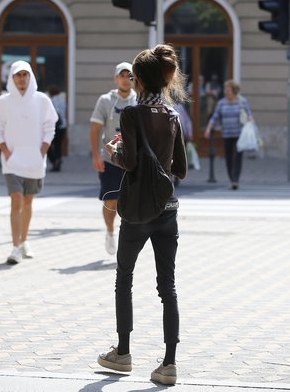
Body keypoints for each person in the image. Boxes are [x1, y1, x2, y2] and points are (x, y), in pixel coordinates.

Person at [97, 44, 188, 386]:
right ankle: (168, 364)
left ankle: (122, 353)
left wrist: (115, 151)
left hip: (136, 212)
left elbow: (130, 161)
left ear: (138, 81)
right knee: (168, 287)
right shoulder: (172, 116)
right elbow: (181, 168)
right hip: (167, 211)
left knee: (125, 278)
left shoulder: (131, 115)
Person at [0, 60, 58, 265]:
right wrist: (6, 152)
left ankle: (25, 239)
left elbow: (50, 126)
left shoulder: (42, 100)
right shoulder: (2, 101)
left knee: (28, 202)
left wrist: (42, 151)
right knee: (16, 200)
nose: (22, 79)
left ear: (30, 77)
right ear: (11, 78)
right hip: (11, 161)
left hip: (35, 162)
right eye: (18, 75)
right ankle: (15, 247)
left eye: (25, 75)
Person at [90, 62, 137, 255]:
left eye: (129, 76)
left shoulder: (139, 100)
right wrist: (95, 156)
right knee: (111, 201)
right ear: (116, 79)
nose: (126, 79)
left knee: (129, 202)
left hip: (132, 160)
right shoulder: (105, 100)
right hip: (110, 159)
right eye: (122, 75)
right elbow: (95, 129)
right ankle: (110, 231)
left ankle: (126, 236)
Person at [203, 80, 252, 190]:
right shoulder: (221, 103)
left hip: (239, 135)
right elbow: (215, 117)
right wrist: (208, 128)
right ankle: (231, 179)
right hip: (226, 134)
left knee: (237, 157)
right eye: (225, 89)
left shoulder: (242, 101)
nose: (225, 92)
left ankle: (235, 180)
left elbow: (249, 115)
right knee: (229, 158)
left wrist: (250, 119)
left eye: (228, 90)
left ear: (234, 91)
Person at [47, 85, 67, 172]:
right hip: (62, 126)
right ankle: (58, 160)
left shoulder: (51, 100)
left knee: (47, 145)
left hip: (53, 126)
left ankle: (54, 161)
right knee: (58, 145)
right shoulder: (62, 100)